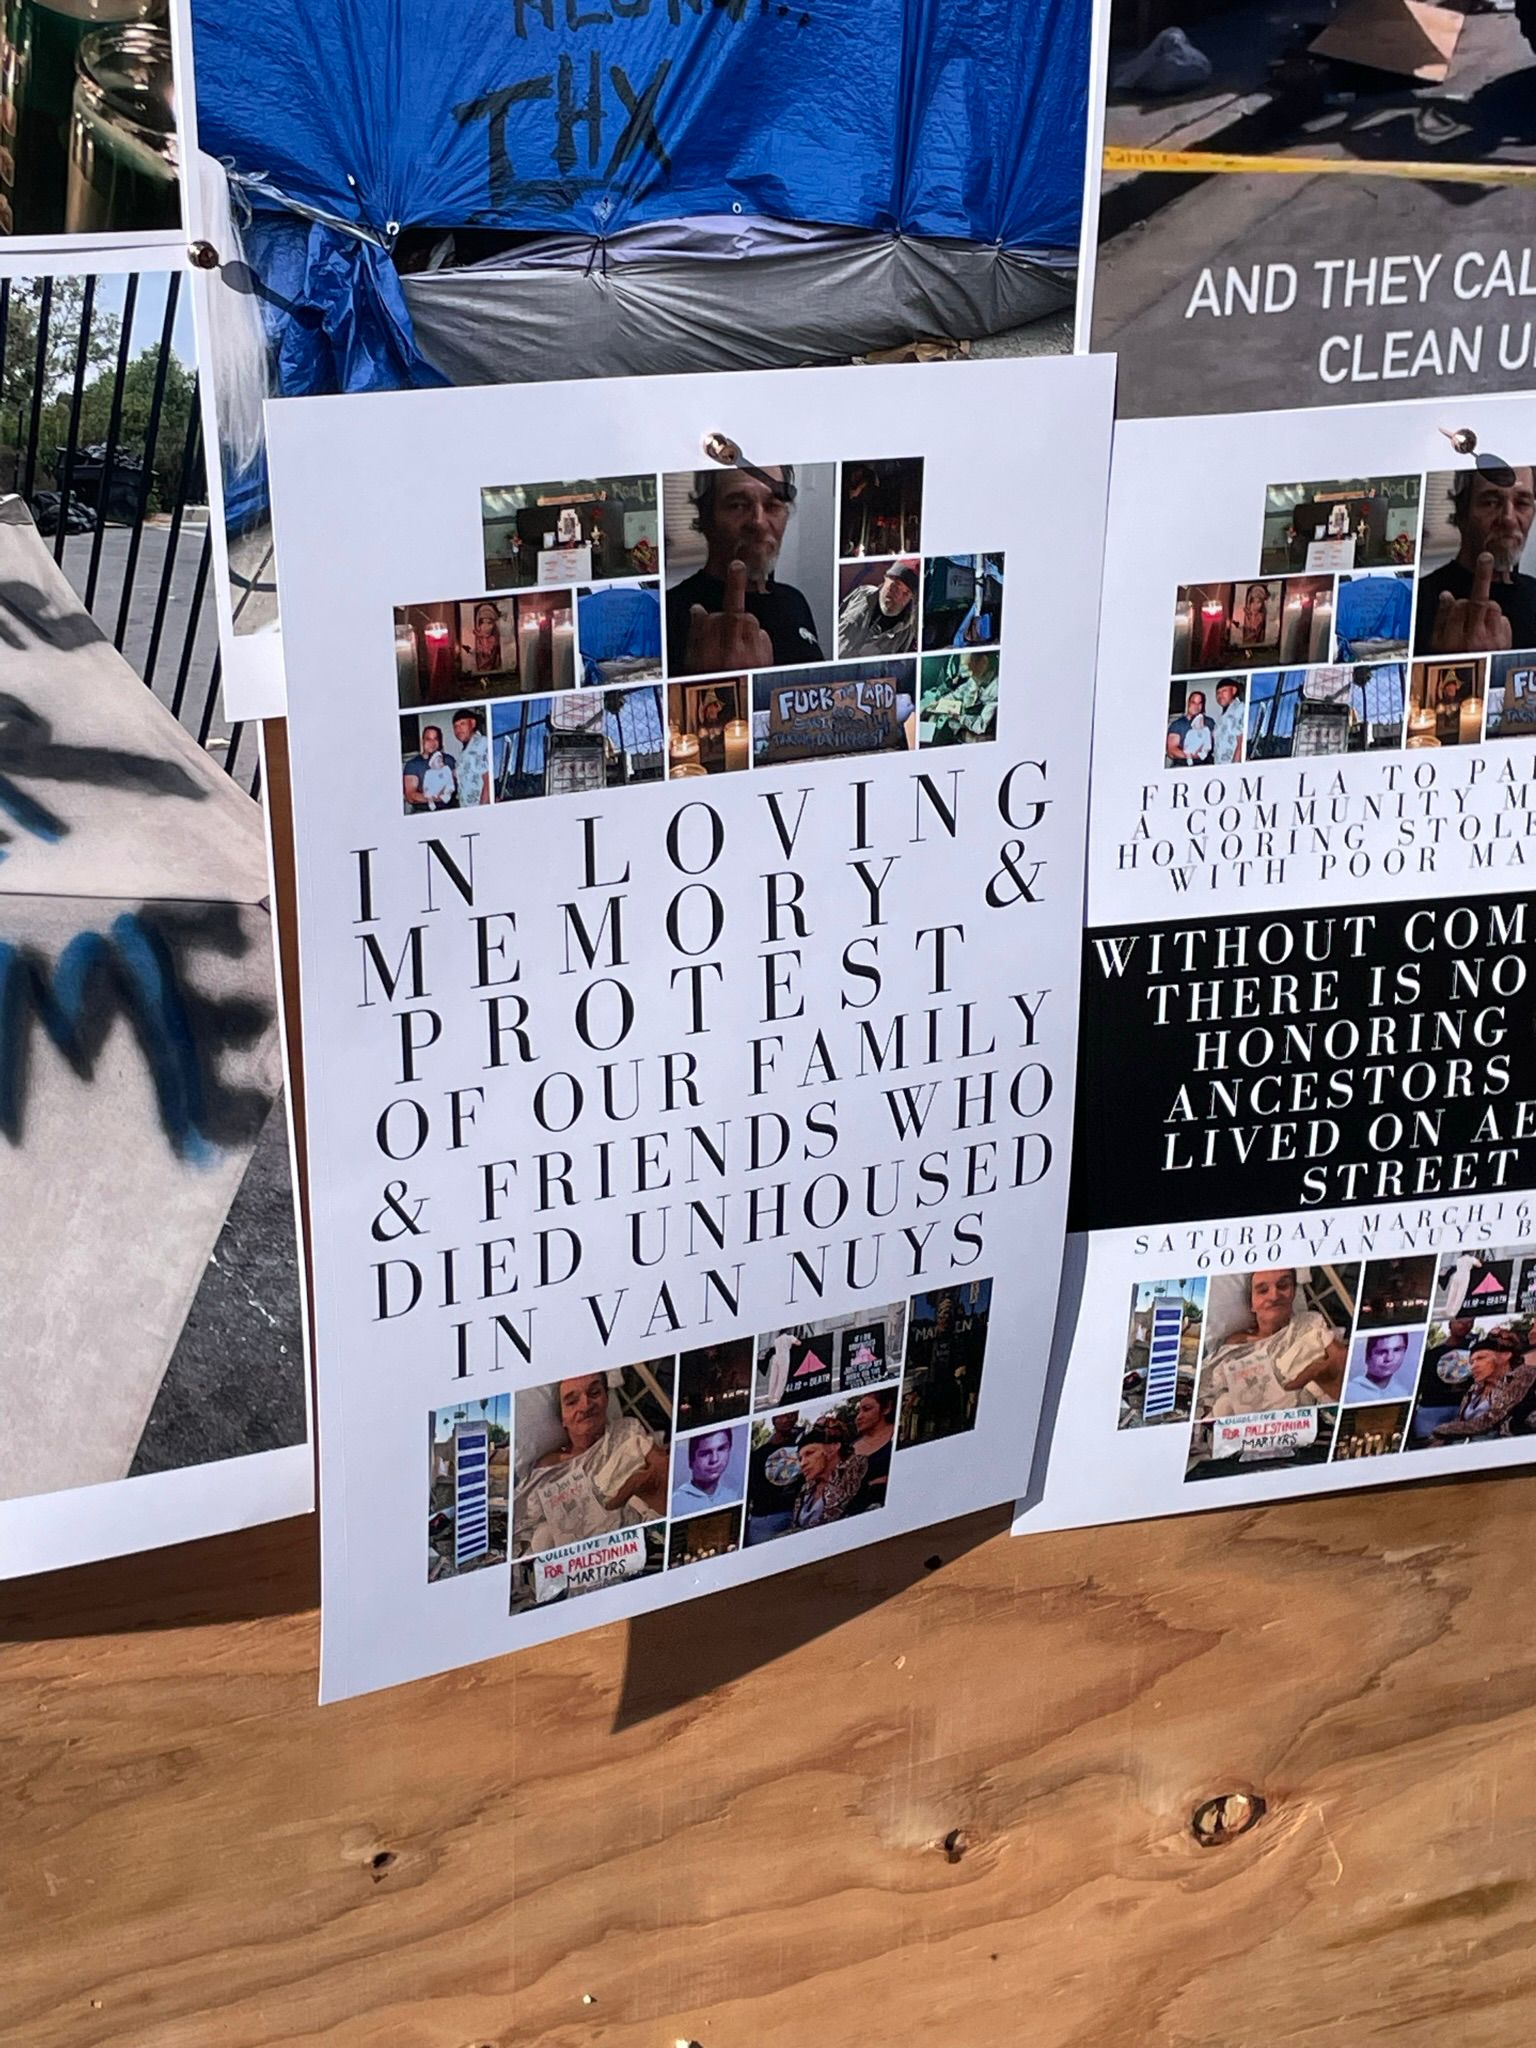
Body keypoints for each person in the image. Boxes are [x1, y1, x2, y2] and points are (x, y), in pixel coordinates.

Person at [666, 465, 826, 675]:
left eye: (772, 505)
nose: (759, 522)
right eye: (738, 505)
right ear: (705, 517)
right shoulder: (670, 614)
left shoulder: (794, 600)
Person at [513, 1373, 669, 1556]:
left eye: (594, 1393)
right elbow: (523, 1524)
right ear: (562, 1418)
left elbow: (664, 1469)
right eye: (572, 1402)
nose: (585, 1405)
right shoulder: (549, 1467)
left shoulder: (626, 1432)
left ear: (606, 1399)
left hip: (639, 1540)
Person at [1415, 467, 1536, 655]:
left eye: (1522, 503)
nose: (1509, 519)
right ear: (1462, 513)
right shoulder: (1419, 602)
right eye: (1491, 502)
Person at [1198, 1269, 1347, 1417]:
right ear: (1252, 1304)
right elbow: (1210, 1391)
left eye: (1283, 1286)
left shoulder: (1309, 1324)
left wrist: (1323, 1372)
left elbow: (1340, 1359)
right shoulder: (1235, 1345)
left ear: (1294, 1293)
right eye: (1263, 1290)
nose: (1274, 1295)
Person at [1431, 1325, 1536, 1441]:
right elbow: (1462, 1420)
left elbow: (1490, 1420)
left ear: (1505, 1356)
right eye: (1471, 1362)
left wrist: (1441, 1430)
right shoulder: (1475, 1388)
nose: (1474, 1366)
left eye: (1481, 1358)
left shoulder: (1523, 1375)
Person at [788, 1419, 867, 1532]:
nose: (802, 1463)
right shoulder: (805, 1489)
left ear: (833, 1448)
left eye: (810, 1453)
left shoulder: (856, 1475)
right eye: (800, 1459)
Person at [1412, 1315, 1476, 1439]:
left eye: (1470, 1322)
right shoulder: (1431, 1355)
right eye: (1460, 1321)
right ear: (1450, 1324)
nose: (1464, 1325)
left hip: (1463, 1407)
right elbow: (1419, 1384)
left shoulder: (1476, 1351)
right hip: (1432, 1408)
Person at [838, 561, 919, 657]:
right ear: (885, 578)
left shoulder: (906, 631)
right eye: (895, 586)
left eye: (906, 593)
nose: (898, 596)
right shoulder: (862, 594)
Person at [745, 1410, 802, 1543]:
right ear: (774, 1418)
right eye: (784, 1414)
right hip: (764, 1519)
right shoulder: (758, 1455)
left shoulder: (803, 1447)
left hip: (795, 1514)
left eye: (793, 1414)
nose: (788, 1418)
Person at [671, 1429, 738, 1517]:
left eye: (721, 1449)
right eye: (705, 1454)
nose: (714, 1459)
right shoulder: (675, 1503)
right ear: (691, 1460)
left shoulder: (732, 1496)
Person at [849, 1389, 896, 1513]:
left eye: (867, 1409)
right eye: (858, 1411)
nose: (859, 1417)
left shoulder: (900, 1433)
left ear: (886, 1408)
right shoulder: (850, 1449)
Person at [1347, 1331, 1418, 1403]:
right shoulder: (1349, 1392)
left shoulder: (1402, 1393)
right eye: (1381, 1352)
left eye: (1397, 1350)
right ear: (1367, 1356)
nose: (1389, 1358)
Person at [402, 725, 453, 812]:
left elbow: (455, 783)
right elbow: (410, 796)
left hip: (449, 809)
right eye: (428, 739)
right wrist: (434, 798)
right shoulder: (413, 765)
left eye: (435, 739)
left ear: (439, 741)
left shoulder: (448, 760)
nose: (432, 743)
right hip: (423, 811)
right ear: (423, 741)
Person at [451, 709, 490, 806]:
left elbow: (488, 780)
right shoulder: (464, 752)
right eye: (455, 726)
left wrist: (483, 809)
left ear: (472, 723)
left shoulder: (482, 743)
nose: (458, 729)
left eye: (462, 724)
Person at [1165, 689, 1208, 766]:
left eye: (1199, 703)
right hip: (1183, 765)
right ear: (1188, 703)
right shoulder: (1177, 724)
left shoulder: (1209, 722)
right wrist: (1190, 756)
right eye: (1193, 702)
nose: (1196, 706)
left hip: (1205, 765)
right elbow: (1171, 750)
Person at [1212, 679, 1246, 764]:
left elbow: (1241, 742)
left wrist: (1234, 768)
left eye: (1224, 691)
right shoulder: (1222, 716)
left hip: (1231, 768)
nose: (1220, 695)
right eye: (1218, 693)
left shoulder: (1239, 708)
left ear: (1234, 690)